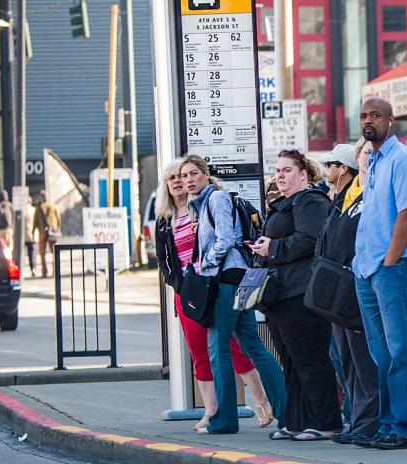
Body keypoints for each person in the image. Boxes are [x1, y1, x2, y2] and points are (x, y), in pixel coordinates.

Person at [155, 159, 276, 432]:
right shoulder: (165, 219)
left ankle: (261, 400)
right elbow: (163, 259)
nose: (178, 181)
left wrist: (208, 260)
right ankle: (212, 411)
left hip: (216, 282)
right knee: (202, 351)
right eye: (172, 178)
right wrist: (177, 284)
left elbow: (222, 241)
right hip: (189, 290)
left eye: (183, 175)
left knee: (232, 346)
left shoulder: (206, 206)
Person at [247, 149, 341, 441]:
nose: (280, 175)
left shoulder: (310, 201)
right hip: (280, 295)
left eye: (287, 170)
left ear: (304, 174)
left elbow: (310, 240)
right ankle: (298, 420)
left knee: (310, 358)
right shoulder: (285, 203)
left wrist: (272, 248)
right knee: (290, 360)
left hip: (301, 291)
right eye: (277, 170)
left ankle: (326, 423)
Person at [351, 97, 407, 451]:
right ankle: (387, 425)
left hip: (393, 269)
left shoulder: (403, 160)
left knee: (403, 350)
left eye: (375, 115)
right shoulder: (375, 162)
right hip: (367, 269)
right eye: (364, 116)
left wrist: (391, 262)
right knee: (381, 354)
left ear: (391, 121)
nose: (369, 121)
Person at [316, 142, 381, 446]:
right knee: (346, 358)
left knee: (363, 359)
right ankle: (357, 417)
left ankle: (368, 421)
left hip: (358, 284)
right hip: (337, 288)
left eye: (372, 153)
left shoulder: (375, 192)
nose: (368, 158)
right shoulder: (348, 193)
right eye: (364, 153)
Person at [33, 191, 61, 277]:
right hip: (53, 232)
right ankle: (55, 270)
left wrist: (33, 231)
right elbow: (58, 219)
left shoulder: (38, 208)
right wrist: (57, 228)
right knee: (55, 252)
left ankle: (44, 271)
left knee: (42, 253)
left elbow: (35, 221)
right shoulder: (53, 206)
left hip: (42, 232)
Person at [24, 196, 38, 277]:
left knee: (21, 253)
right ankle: (33, 268)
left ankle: (21, 268)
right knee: (32, 252)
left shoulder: (21, 210)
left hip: (23, 235)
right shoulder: (33, 210)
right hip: (32, 234)